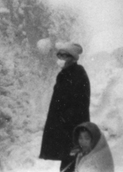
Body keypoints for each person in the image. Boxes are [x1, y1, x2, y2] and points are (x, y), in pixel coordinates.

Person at [40, 42, 91, 172]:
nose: (61, 59)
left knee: (71, 161)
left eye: (64, 56)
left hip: (72, 127)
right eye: (60, 56)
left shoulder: (78, 75)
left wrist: (67, 120)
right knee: (68, 161)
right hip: (62, 126)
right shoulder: (64, 74)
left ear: (72, 58)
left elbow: (81, 104)